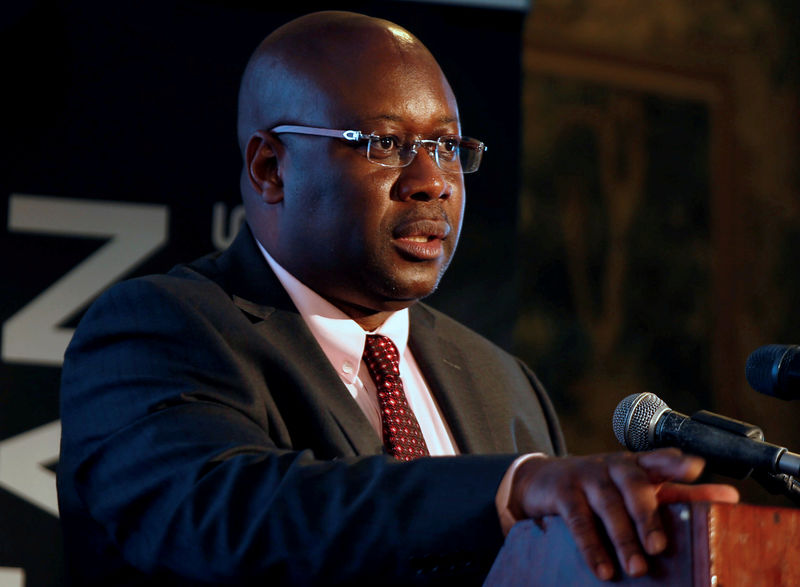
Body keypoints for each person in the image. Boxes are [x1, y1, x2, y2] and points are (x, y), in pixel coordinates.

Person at [57, 10, 738, 586]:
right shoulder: (160, 332)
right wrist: (510, 487)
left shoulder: (504, 384)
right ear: (271, 168)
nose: (431, 181)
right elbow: (229, 516)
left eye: (446, 147)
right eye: (386, 144)